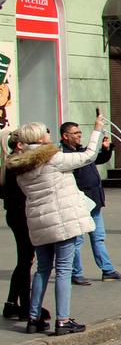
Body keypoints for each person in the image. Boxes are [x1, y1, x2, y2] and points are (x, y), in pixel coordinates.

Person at [6, 116, 108, 335]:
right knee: (63, 270)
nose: (49, 134)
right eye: (46, 132)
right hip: (61, 219)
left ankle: (33, 318)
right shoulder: (52, 159)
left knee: (42, 269)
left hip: (37, 220)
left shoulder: (21, 166)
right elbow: (88, 156)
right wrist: (97, 130)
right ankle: (63, 320)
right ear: (40, 137)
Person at [58, 122, 121, 283]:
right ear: (65, 136)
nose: (78, 135)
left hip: (94, 203)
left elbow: (97, 159)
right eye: (75, 133)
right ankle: (75, 273)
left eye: (80, 132)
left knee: (98, 237)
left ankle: (108, 270)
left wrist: (105, 149)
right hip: (79, 203)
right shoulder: (65, 156)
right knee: (77, 240)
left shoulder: (82, 151)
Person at [2, 134, 42, 322]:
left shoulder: (9, 161)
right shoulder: (16, 164)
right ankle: (26, 307)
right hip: (21, 215)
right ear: (20, 145)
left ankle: (11, 304)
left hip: (16, 214)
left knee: (25, 260)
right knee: (26, 261)